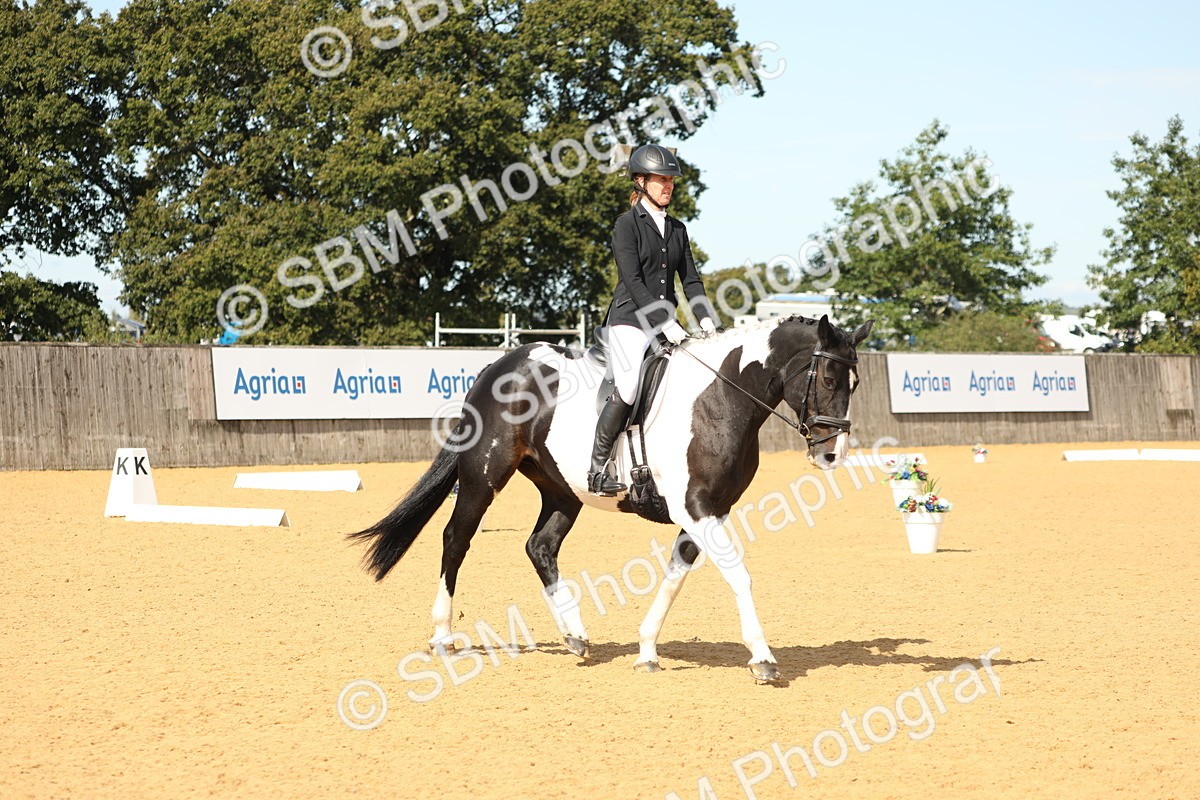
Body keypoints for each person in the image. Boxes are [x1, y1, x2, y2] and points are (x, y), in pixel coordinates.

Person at [587, 143, 718, 496]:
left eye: (671, 180)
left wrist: (706, 319)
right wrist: (663, 321)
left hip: (666, 323)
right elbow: (634, 281)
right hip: (630, 320)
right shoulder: (626, 225)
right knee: (629, 385)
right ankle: (598, 468)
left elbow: (690, 280)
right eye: (661, 179)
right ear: (641, 181)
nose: (668, 185)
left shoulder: (677, 229)